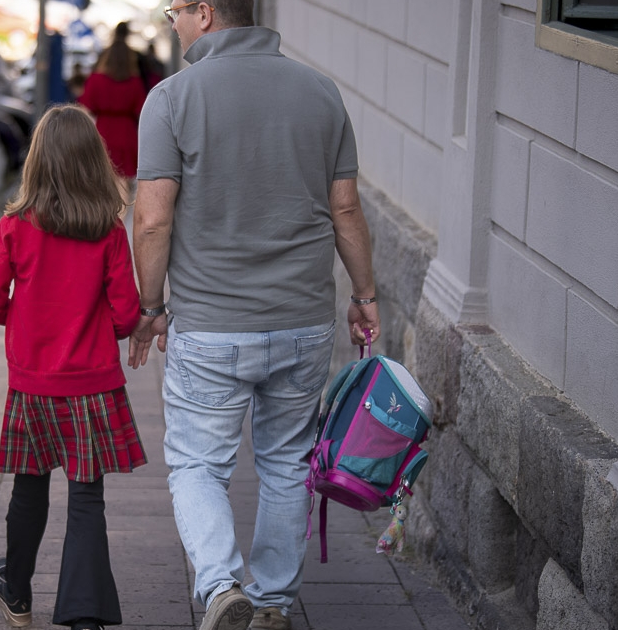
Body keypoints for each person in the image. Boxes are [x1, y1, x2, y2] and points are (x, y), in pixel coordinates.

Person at [127, 2, 381, 630]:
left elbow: (152, 218)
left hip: (211, 323)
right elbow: (345, 209)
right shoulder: (321, 92)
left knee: (196, 464)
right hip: (301, 322)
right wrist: (364, 295)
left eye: (175, 11)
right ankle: (271, 602)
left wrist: (152, 307)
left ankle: (219, 588)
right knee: (286, 463)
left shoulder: (170, 99)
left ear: (206, 13)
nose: (171, 23)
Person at [0, 103, 147, 630]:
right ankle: (84, 613)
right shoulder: (108, 230)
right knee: (86, 496)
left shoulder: (14, 227)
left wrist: (22, 319)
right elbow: (125, 315)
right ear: (94, 161)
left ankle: (18, 592)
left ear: (37, 161)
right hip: (92, 385)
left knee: (28, 488)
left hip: (32, 384)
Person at [77, 21, 147, 186]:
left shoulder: (96, 80)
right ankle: (120, 213)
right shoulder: (134, 82)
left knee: (101, 181)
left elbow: (84, 108)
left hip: (103, 132)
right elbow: (141, 109)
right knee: (122, 182)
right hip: (127, 132)